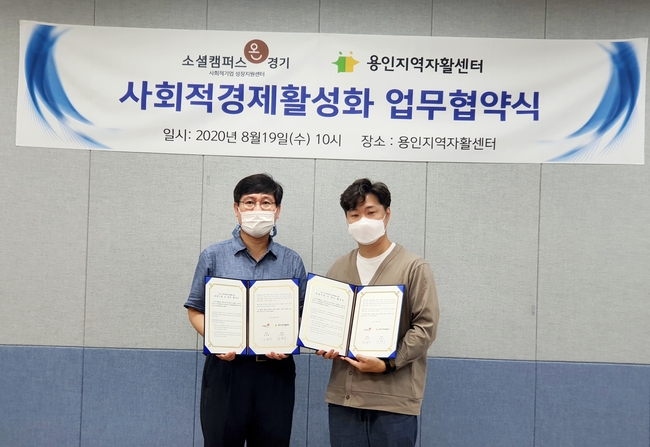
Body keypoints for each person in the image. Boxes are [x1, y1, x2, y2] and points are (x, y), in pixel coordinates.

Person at [184, 173, 307, 447]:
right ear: (236, 209)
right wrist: (217, 340)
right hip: (226, 370)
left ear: (277, 210)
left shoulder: (291, 261)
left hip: (275, 372)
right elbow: (195, 310)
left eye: (266, 202)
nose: (257, 209)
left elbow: (302, 316)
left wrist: (290, 341)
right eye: (249, 202)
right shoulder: (213, 256)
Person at [317, 178, 439, 447]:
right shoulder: (338, 268)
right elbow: (330, 324)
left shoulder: (414, 267)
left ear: (387, 213)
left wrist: (388, 364)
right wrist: (324, 343)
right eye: (354, 215)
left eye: (370, 212)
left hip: (393, 401)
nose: (363, 220)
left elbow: (425, 327)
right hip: (344, 399)